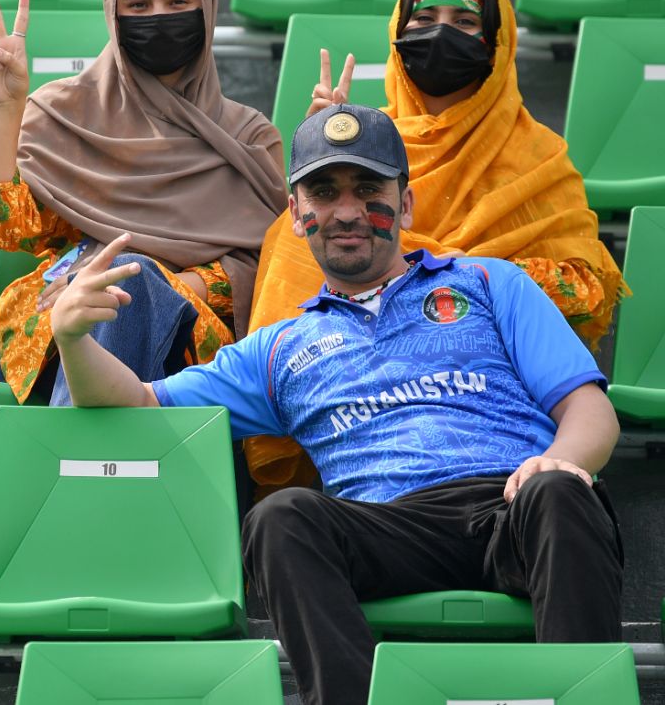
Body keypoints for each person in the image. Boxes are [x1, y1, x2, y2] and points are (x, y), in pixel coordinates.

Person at [51, 103, 623, 705]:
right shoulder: (278, 349)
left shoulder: (487, 283)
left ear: (404, 204)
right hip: (390, 529)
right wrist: (72, 341)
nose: (347, 211)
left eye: (368, 189)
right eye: (323, 192)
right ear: (297, 215)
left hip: (515, 505)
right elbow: (140, 404)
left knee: (563, 491)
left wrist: (559, 462)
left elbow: (589, 411)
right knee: (281, 518)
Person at [242, 0, 626, 496]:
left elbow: (583, 294)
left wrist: (431, 275)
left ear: (497, 42)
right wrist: (319, 165)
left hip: (498, 418)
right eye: (423, 21)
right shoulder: (374, 157)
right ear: (399, 35)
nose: (441, 35)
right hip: (363, 419)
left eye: (465, 23)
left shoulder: (540, 159)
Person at [0, 0, 284, 405]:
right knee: (104, 301)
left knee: (125, 284)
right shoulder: (62, 111)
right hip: (64, 330)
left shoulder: (248, 137)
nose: (158, 18)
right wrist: (6, 108)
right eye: (139, 6)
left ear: (208, 8)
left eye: (178, 2)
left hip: (192, 347)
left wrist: (145, 281)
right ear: (115, 15)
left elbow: (268, 270)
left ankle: (77, 465)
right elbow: (2, 230)